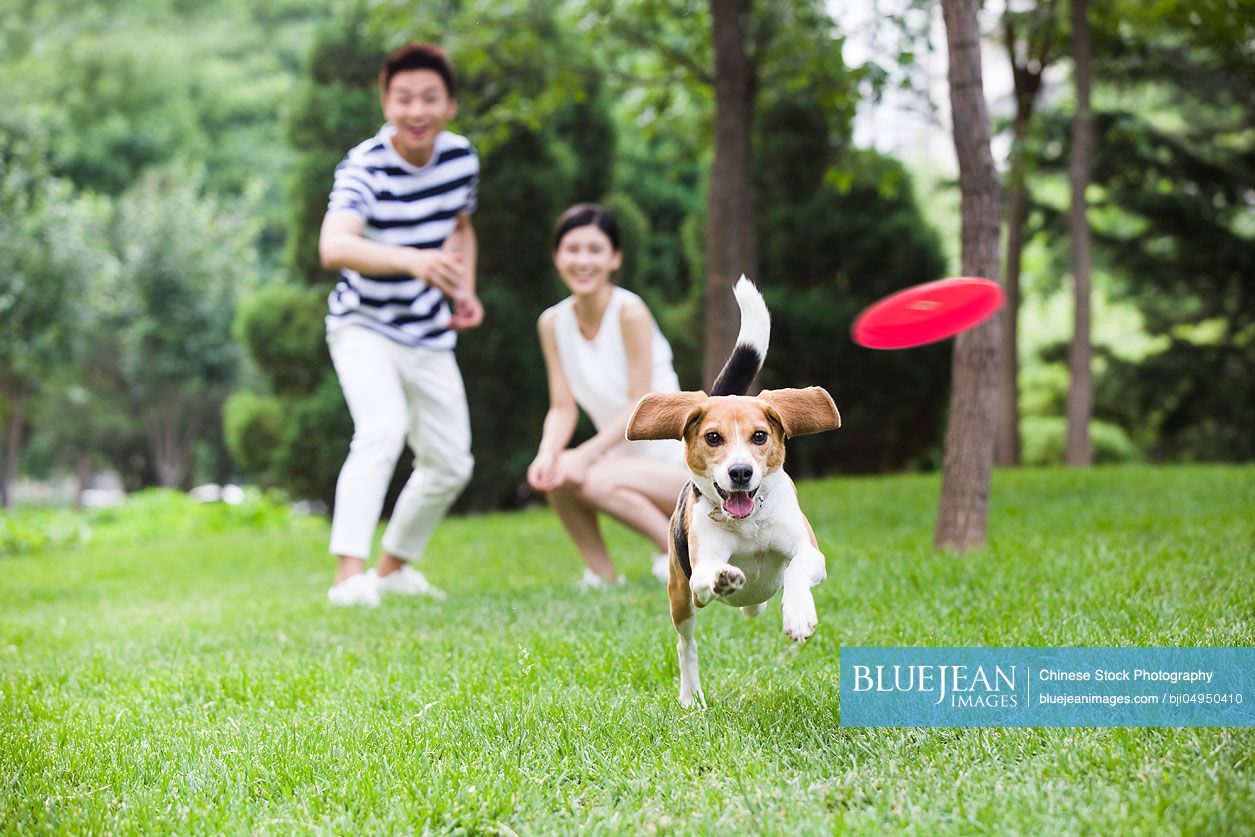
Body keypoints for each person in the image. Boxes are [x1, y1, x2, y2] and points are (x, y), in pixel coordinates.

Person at [318, 43, 482, 607]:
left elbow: (461, 225)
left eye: (429, 98)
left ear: (450, 105)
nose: (417, 110)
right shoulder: (364, 166)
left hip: (429, 331)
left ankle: (391, 570)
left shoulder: (461, 157)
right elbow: (333, 245)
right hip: (362, 325)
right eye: (404, 98)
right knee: (381, 431)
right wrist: (413, 259)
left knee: (451, 462)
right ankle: (348, 577)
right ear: (386, 102)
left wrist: (463, 288)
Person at [527, 204, 690, 588]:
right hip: (619, 460)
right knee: (558, 473)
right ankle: (601, 576)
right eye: (572, 249)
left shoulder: (629, 312)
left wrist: (586, 454)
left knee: (587, 475)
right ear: (556, 257)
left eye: (595, 250)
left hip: (678, 465)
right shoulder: (552, 323)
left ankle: (679, 554)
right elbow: (561, 406)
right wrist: (547, 453)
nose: (583, 260)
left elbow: (641, 404)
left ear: (615, 258)